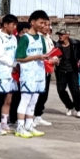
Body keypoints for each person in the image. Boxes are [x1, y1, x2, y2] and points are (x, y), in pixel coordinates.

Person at [14, 10, 50, 139]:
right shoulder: (25, 38)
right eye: (41, 22)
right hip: (28, 74)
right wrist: (37, 57)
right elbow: (20, 58)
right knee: (25, 101)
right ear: (32, 22)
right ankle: (20, 127)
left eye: (45, 23)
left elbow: (44, 56)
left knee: (33, 101)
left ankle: (29, 125)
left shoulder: (41, 38)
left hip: (39, 74)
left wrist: (51, 59)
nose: (43, 25)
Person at [0, 15, 19, 136]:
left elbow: (16, 54)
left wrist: (16, 65)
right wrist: (13, 64)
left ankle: (4, 123)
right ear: (5, 25)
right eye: (13, 24)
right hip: (2, 72)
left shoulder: (14, 38)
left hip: (12, 72)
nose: (15, 27)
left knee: (9, 99)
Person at [55, 28, 80, 118]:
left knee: (75, 90)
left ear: (67, 35)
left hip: (72, 71)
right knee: (61, 90)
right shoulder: (56, 45)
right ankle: (70, 106)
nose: (60, 36)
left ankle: (79, 109)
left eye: (62, 34)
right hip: (61, 71)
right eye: (59, 35)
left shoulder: (76, 43)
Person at [33, 19, 57, 127]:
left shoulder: (48, 38)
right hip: (38, 69)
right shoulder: (37, 38)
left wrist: (55, 59)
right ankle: (29, 118)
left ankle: (38, 116)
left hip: (47, 69)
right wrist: (49, 59)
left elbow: (52, 52)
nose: (47, 27)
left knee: (44, 94)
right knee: (35, 95)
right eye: (44, 24)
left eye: (48, 25)